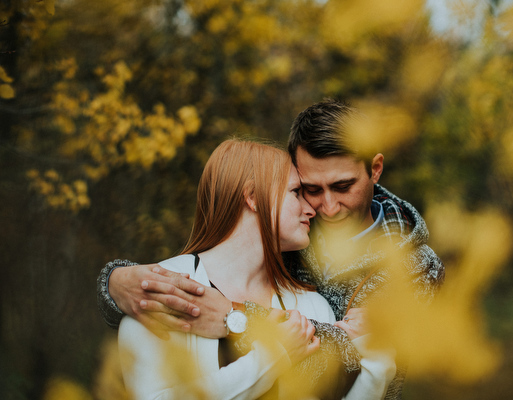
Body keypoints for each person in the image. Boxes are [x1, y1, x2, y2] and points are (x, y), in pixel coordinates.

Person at [98, 99, 445, 399]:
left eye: (343, 186)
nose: (326, 207)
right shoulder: (292, 239)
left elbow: (350, 366)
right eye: (307, 189)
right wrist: (115, 281)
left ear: (376, 169)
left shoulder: (417, 269)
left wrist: (232, 318)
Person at [118, 139, 396, 399]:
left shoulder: (312, 305)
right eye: (296, 193)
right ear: (252, 196)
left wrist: (377, 362)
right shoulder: (164, 292)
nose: (311, 209)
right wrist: (272, 357)